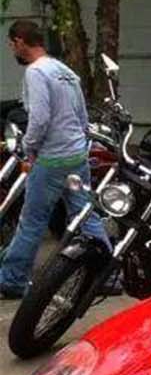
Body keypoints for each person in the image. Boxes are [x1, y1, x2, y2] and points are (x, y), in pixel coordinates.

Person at [1, 20, 109, 298]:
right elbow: (82, 116)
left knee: (32, 220)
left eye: (12, 44)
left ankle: (12, 279)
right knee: (85, 214)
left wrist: (28, 149)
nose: (12, 49)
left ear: (20, 41)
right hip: (75, 156)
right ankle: (106, 274)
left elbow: (39, 118)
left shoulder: (36, 72)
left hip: (50, 159)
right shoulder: (65, 71)